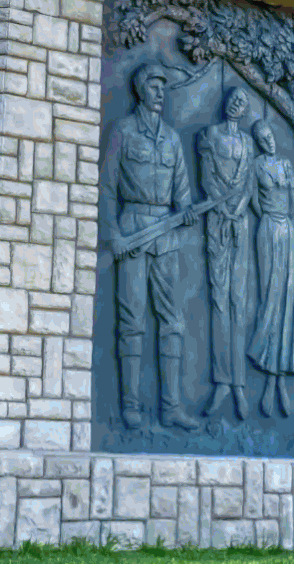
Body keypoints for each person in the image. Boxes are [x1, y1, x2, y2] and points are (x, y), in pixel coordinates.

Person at [99, 59, 202, 432]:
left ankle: (171, 408)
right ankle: (130, 406)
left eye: (163, 87)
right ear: (141, 90)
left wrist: (186, 212)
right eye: (155, 86)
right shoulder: (123, 132)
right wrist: (114, 235)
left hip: (166, 236)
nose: (161, 92)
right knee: (131, 321)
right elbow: (107, 187)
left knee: (172, 321)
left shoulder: (172, 139)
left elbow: (182, 193)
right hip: (133, 234)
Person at [196, 87, 257, 422]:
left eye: (242, 102)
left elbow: (249, 185)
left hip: (240, 224)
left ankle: (239, 385)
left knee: (239, 301)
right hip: (218, 221)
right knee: (219, 301)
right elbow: (206, 178)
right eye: (233, 98)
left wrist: (238, 210)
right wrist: (224, 209)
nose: (236, 104)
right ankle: (221, 381)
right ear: (225, 103)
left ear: (245, 110)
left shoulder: (247, 143)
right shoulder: (210, 135)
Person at [245, 119, 294, 417]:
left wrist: (283, 215)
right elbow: (254, 201)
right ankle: (267, 378)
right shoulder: (256, 166)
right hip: (268, 230)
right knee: (270, 297)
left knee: (286, 302)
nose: (268, 141)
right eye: (262, 138)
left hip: (287, 231)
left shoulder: (286, 165)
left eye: (270, 135)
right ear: (257, 141)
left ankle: (278, 382)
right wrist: (270, 217)